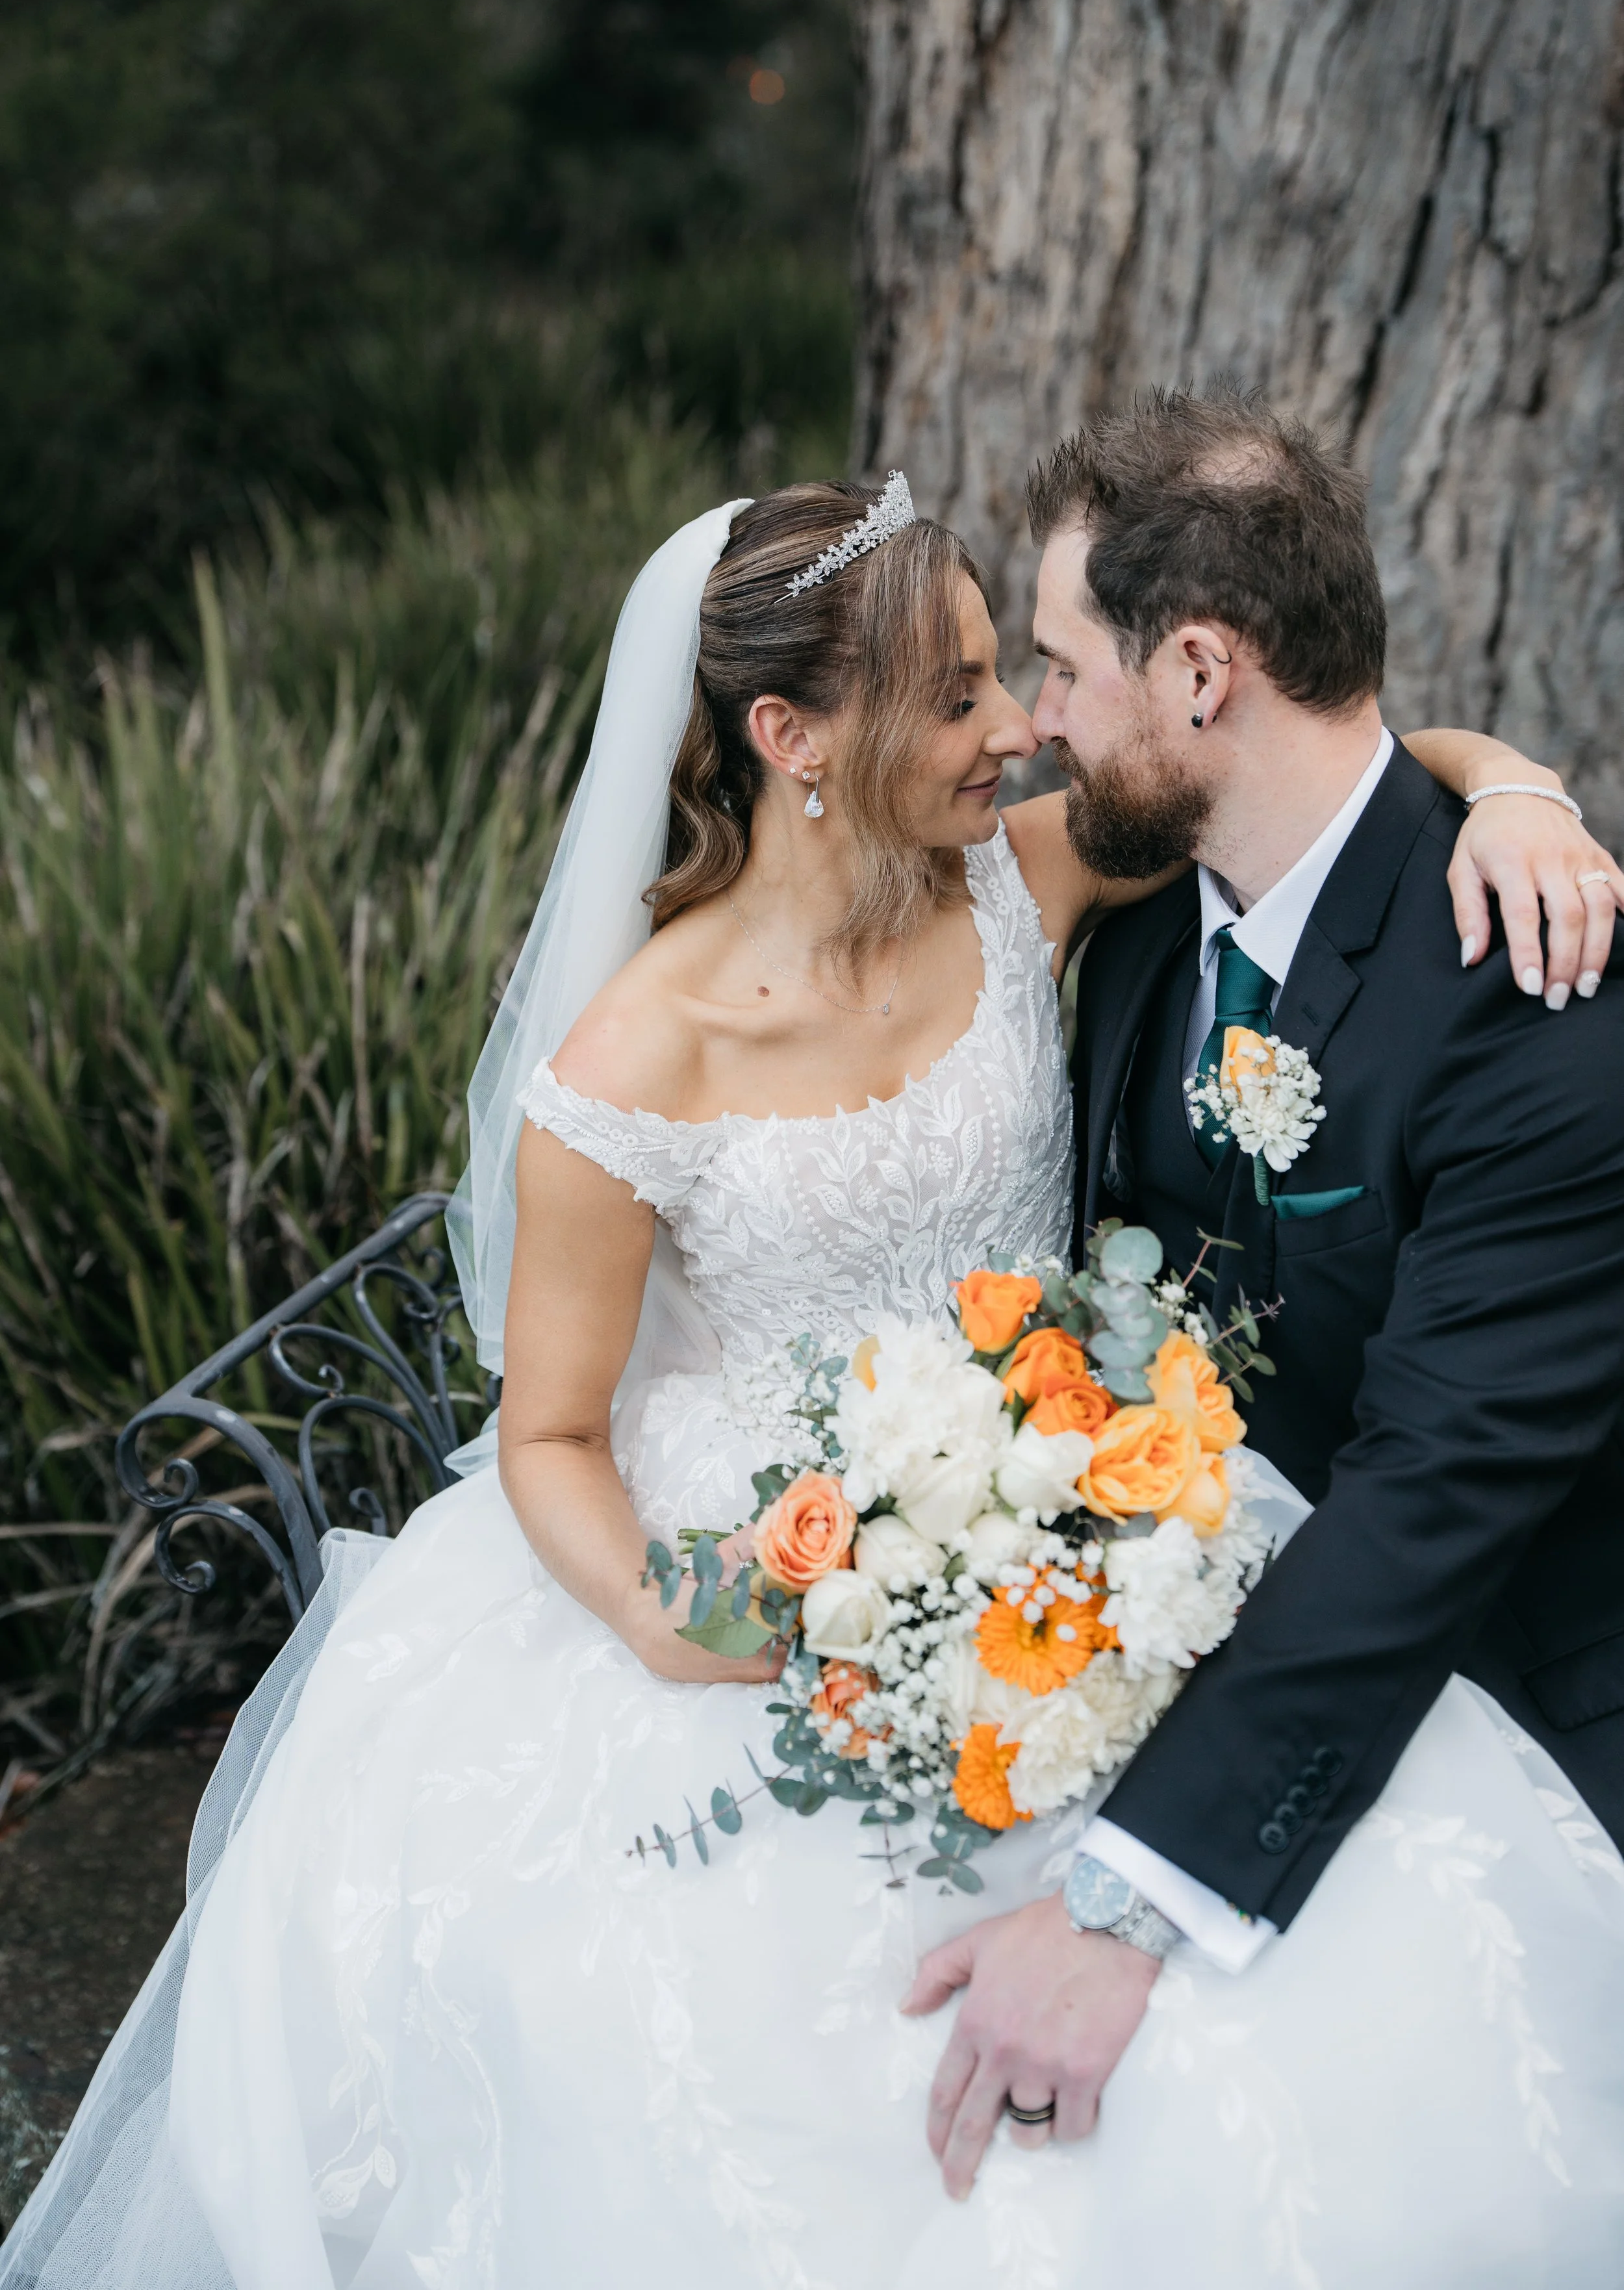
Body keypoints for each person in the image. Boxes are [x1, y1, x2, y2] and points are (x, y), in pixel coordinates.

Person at [4, 462, 1621, 2290]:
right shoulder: (633, 1057)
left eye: (1013, 671)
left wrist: (1518, 791)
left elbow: (1312, 768)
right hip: (757, 1582)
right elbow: (544, 1429)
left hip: (1075, 1510)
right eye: (952, 692)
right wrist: (661, 1613)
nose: (1014, 726)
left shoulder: (1023, 878)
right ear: (787, 733)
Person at [909, 387, 1624, 2251]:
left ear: (1203, 669)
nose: (1038, 718)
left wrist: (1123, 1904)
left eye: (1063, 663)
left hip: (1499, 1700)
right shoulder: (1143, 904)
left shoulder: (1540, 1018)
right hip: (1156, 1638)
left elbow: (1430, 1497)